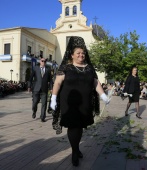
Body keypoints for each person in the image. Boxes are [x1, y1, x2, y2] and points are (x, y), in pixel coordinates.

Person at [50, 36, 109, 166]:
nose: (81, 55)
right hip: (69, 103)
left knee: (80, 126)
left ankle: (76, 149)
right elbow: (58, 82)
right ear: (72, 55)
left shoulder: (89, 68)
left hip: (84, 103)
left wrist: (103, 95)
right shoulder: (66, 67)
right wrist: (53, 97)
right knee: (73, 126)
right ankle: (75, 152)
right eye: (78, 53)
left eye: (83, 53)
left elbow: (95, 82)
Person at [28, 57, 52, 122]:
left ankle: (42, 117)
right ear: (40, 61)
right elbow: (30, 78)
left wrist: (51, 88)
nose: (43, 62)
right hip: (36, 89)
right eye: (42, 61)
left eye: (44, 61)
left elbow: (50, 80)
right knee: (35, 102)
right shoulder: (35, 68)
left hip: (44, 89)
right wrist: (29, 86)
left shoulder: (48, 69)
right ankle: (34, 111)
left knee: (44, 104)